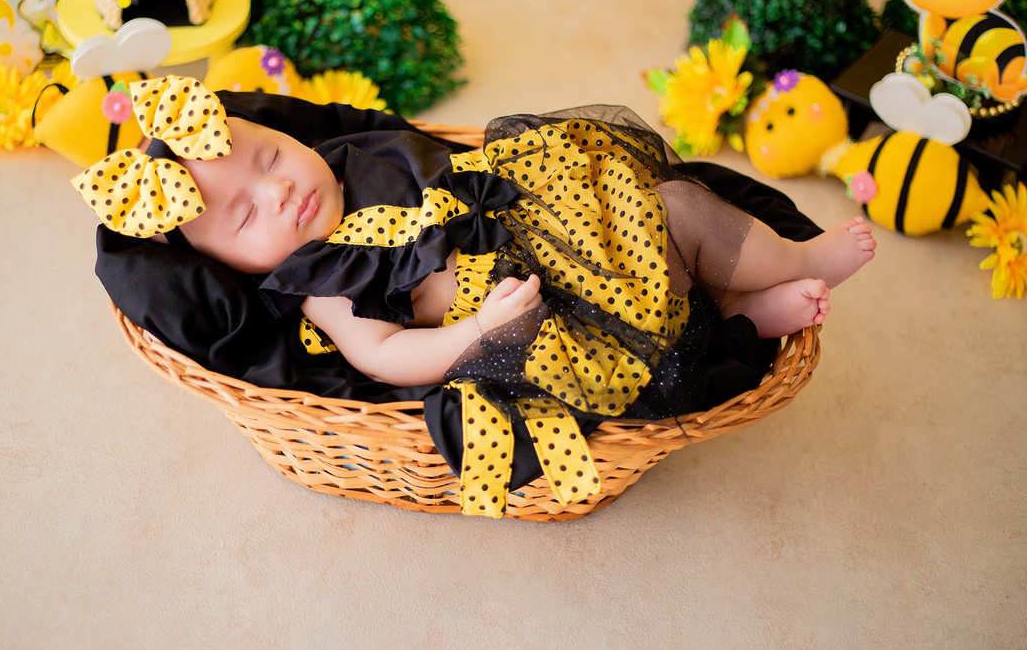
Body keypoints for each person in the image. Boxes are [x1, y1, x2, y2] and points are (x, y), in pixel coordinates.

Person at [74, 76, 874, 516]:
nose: (279, 194)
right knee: (632, 357)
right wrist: (484, 333)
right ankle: (742, 319)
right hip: (537, 314)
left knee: (674, 208)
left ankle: (787, 258)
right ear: (242, 270)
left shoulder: (364, 156)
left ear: (295, 138)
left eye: (273, 161)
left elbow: (460, 165)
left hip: (561, 226)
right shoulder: (320, 288)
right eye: (247, 215)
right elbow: (385, 356)